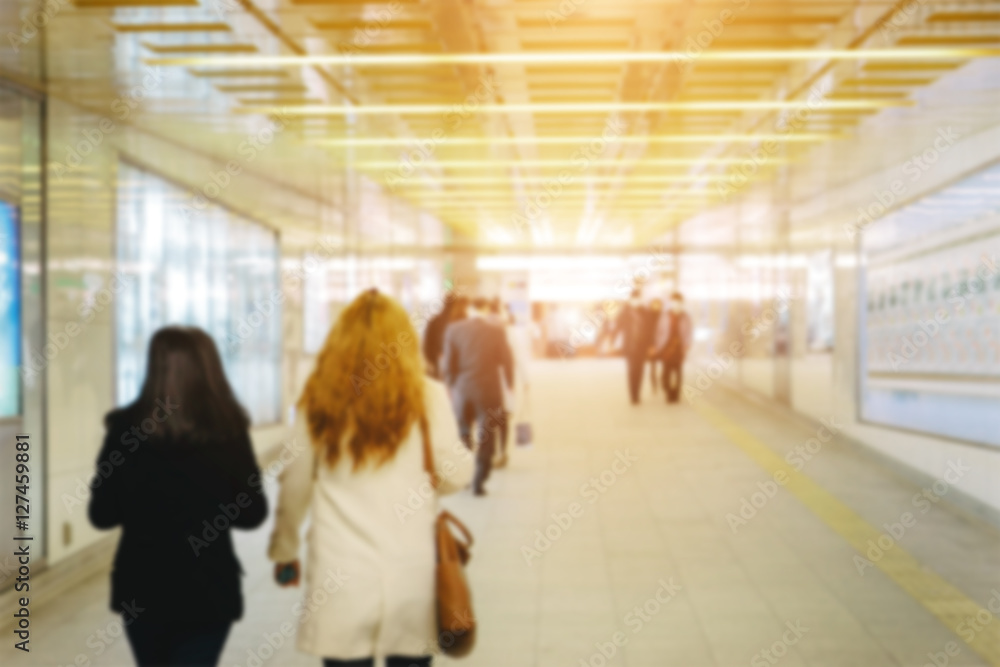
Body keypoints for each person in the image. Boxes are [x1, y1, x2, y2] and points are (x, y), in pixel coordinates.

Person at [269, 289, 472, 667]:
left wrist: (284, 550)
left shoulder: (318, 400)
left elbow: (294, 483)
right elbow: (455, 475)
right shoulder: (429, 397)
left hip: (341, 578)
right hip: (410, 576)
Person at [89, 326, 267, 667]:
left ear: (153, 367)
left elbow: (102, 514)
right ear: (210, 369)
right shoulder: (228, 429)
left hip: (142, 588)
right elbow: (252, 514)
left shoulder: (124, 429)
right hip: (208, 591)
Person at [442, 296, 514, 495]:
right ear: (485, 310)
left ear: (469, 309)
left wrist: (450, 387)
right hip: (489, 390)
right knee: (487, 435)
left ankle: (464, 476)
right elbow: (507, 360)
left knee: (463, 433)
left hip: (462, 390)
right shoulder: (496, 331)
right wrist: (510, 384)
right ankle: (479, 481)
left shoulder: (453, 330)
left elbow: (448, 365)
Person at [652, 292, 694, 403]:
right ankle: (667, 390)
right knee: (666, 371)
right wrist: (657, 345)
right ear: (671, 303)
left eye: (678, 302)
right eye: (674, 302)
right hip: (666, 347)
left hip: (679, 348)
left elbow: (689, 332)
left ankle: (675, 394)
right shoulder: (665, 315)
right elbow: (658, 331)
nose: (676, 304)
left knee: (677, 371)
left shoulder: (685, 317)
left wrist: (687, 343)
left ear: (682, 303)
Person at [613, 289, 652, 404]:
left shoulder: (645, 312)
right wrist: (612, 338)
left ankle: (637, 394)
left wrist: (650, 345)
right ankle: (633, 395)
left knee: (640, 371)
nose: (636, 301)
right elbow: (617, 326)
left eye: (638, 298)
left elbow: (650, 331)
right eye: (634, 298)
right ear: (630, 299)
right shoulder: (625, 312)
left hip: (642, 347)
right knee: (631, 370)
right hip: (629, 347)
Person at [421, 292, 458, 378]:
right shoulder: (458, 321)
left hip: (437, 359)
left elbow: (427, 342)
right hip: (453, 363)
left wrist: (431, 358)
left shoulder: (434, 320)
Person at [645, 299, 664, 394]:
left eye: (658, 304)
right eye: (654, 304)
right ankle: (654, 386)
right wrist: (650, 346)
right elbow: (648, 333)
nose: (656, 306)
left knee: (664, 367)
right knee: (653, 367)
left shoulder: (664, 316)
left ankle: (663, 383)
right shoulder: (648, 317)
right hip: (652, 345)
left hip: (663, 345)